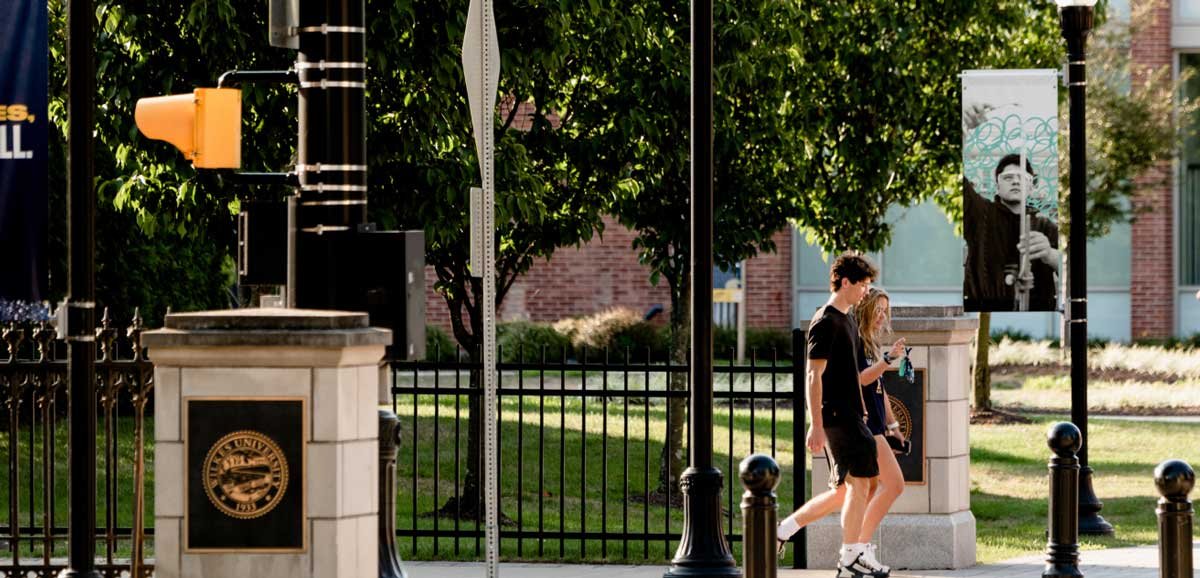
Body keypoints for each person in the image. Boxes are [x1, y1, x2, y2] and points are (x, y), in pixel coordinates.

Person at [777, 287, 907, 578]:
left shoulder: (868, 340)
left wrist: (894, 425)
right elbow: (861, 380)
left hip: (872, 424)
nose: (882, 315)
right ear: (865, 307)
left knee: (845, 493)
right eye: (878, 308)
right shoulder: (853, 337)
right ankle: (857, 549)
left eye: (886, 310)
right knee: (892, 484)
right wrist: (887, 362)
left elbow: (879, 389)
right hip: (860, 424)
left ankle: (785, 529)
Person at [963, 153, 1060, 312]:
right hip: (984, 312)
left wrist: (1050, 254)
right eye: (1008, 178)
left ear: (1030, 186)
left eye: (1022, 178)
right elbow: (962, 186)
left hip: (1035, 313)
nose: (1015, 181)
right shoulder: (980, 214)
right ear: (997, 185)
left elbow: (1072, 271)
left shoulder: (1046, 226)